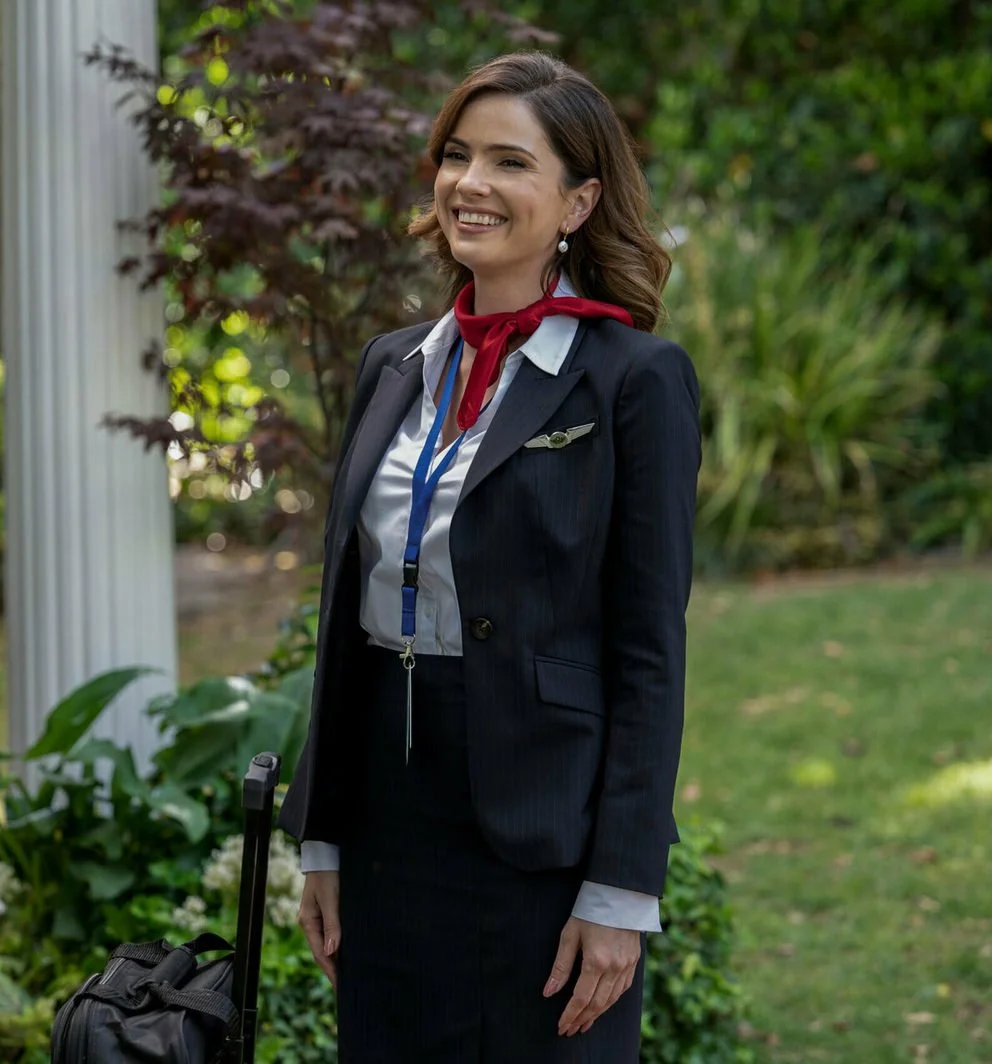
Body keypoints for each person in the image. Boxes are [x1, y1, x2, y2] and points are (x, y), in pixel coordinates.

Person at [276, 49, 700, 1062]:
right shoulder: (392, 365)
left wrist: (620, 888)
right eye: (458, 155)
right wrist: (323, 835)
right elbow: (344, 611)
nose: (471, 183)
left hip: (545, 833)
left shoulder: (633, 380)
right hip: (386, 820)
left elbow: (649, 651)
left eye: (511, 162)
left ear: (578, 201)